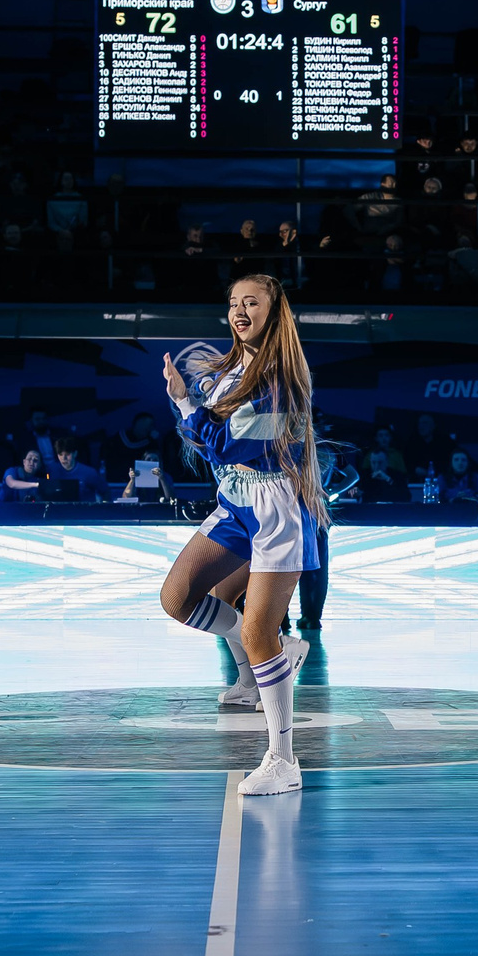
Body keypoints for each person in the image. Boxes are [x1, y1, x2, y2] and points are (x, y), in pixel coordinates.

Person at [154, 275, 324, 797]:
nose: (239, 311)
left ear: (274, 312)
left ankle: (283, 760)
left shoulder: (281, 379)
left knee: (257, 634)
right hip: (234, 500)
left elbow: (226, 443)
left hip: (276, 509)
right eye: (233, 303)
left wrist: (185, 405)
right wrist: (191, 406)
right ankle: (274, 649)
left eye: (251, 302)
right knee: (177, 598)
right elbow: (214, 446)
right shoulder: (232, 370)